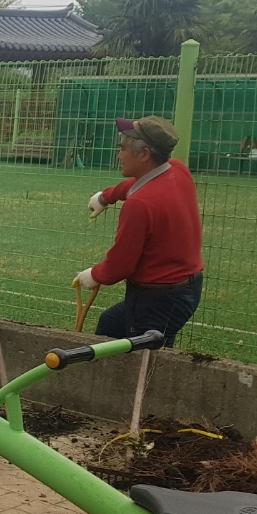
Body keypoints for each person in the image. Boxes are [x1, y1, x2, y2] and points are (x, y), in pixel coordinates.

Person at [77, 116, 203, 347]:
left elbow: (121, 265)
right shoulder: (177, 170)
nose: (118, 155)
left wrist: (95, 275)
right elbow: (139, 184)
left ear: (144, 154)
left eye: (122, 149)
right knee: (110, 325)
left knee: (147, 358)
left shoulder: (140, 205)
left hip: (158, 297)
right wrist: (107, 196)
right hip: (187, 287)